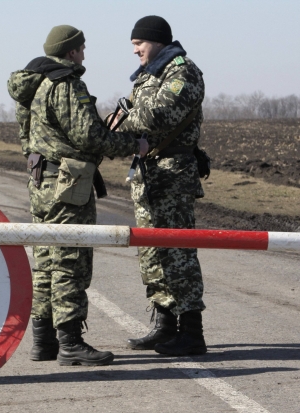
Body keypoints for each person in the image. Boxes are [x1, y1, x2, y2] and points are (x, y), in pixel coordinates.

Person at [7, 25, 148, 366]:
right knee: (70, 259)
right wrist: (133, 144)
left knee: (45, 261)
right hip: (68, 184)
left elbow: (28, 138)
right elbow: (89, 138)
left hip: (40, 180)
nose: (84, 54)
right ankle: (70, 342)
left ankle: (43, 341)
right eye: (81, 48)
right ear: (70, 51)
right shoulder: (66, 84)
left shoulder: (34, 84)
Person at [115, 16, 207, 356]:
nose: (135, 49)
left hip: (173, 174)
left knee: (178, 252)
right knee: (152, 253)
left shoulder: (181, 72)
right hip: (148, 174)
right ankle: (165, 325)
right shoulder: (147, 75)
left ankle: (192, 331)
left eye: (139, 43)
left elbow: (159, 114)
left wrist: (123, 121)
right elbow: (135, 112)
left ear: (156, 40)